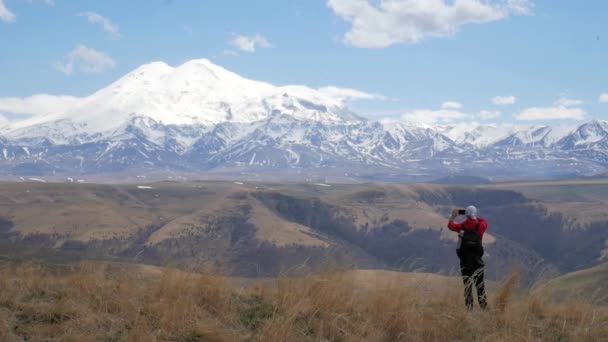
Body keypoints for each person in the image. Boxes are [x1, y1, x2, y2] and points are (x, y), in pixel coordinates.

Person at [448, 205, 488, 310]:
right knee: (480, 286)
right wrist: (474, 216)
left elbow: (450, 225)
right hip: (477, 261)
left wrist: (453, 216)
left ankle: (469, 309)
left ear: (466, 215)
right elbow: (483, 220)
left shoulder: (462, 226)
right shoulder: (481, 226)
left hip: (465, 262)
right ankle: (484, 308)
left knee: (467, 287)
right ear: (475, 213)